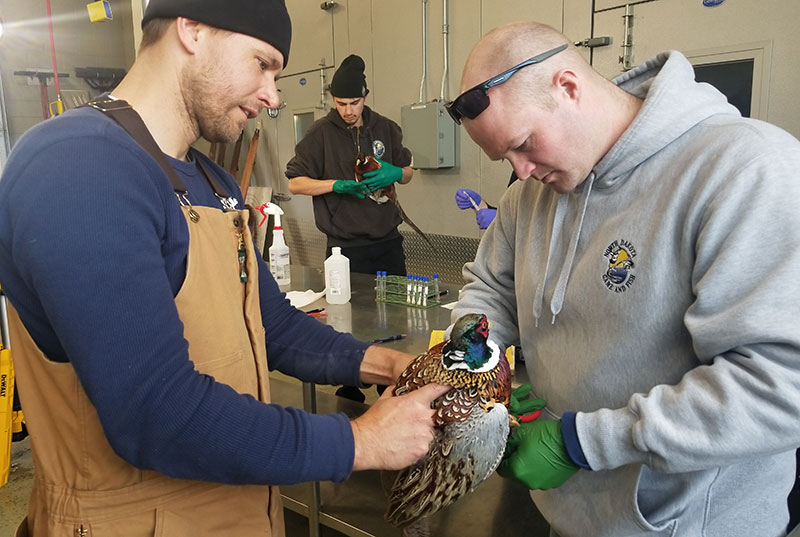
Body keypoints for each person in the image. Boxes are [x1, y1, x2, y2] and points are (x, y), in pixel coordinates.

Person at [0, 1, 450, 535]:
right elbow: (156, 414)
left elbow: (276, 327)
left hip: (242, 513)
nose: (273, 95)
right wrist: (361, 441)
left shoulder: (213, 182)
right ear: (192, 29)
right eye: (262, 63)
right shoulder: (79, 165)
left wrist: (394, 367)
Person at [448, 21, 800, 537]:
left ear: (567, 86)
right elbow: (489, 291)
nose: (519, 171)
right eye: (505, 157)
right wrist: (480, 366)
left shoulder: (746, 171)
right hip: (572, 513)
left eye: (523, 143)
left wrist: (583, 442)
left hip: (692, 523)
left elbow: (778, 385)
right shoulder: (530, 197)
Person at [286, 54, 414, 277]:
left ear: (365, 97)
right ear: (333, 99)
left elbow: (407, 173)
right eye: (341, 104)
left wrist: (395, 172)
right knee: (347, 310)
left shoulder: (386, 128)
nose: (348, 111)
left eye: (355, 103)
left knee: (396, 309)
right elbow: (295, 184)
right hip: (344, 249)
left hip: (389, 244)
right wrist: (336, 186)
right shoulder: (320, 134)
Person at [454, 172, 518, 229]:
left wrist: (504, 221)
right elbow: (510, 212)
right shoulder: (516, 175)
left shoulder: (523, 174)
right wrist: (479, 203)